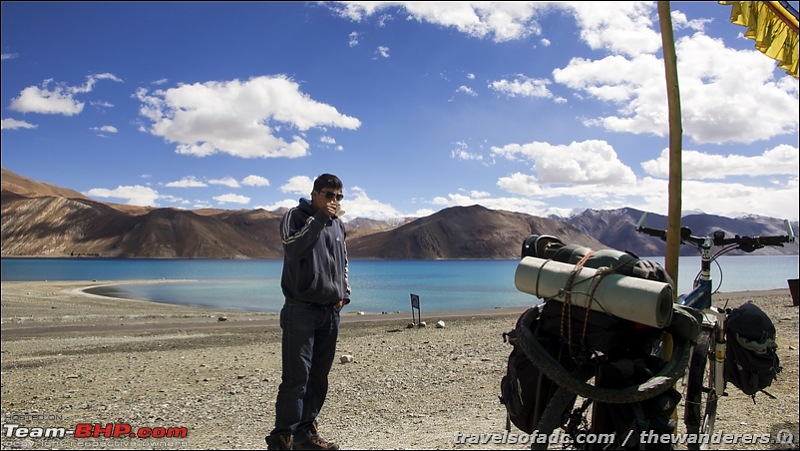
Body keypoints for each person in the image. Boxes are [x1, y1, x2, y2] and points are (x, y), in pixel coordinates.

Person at [265, 173, 350, 451]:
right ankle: (282, 439)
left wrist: (343, 295)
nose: (333, 201)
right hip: (300, 310)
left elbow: (343, 262)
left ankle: (305, 433)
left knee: (318, 377)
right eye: (328, 195)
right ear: (314, 194)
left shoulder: (338, 226)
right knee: (296, 377)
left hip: (330, 312)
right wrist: (318, 220)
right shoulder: (296, 217)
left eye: (338, 196)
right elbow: (293, 249)